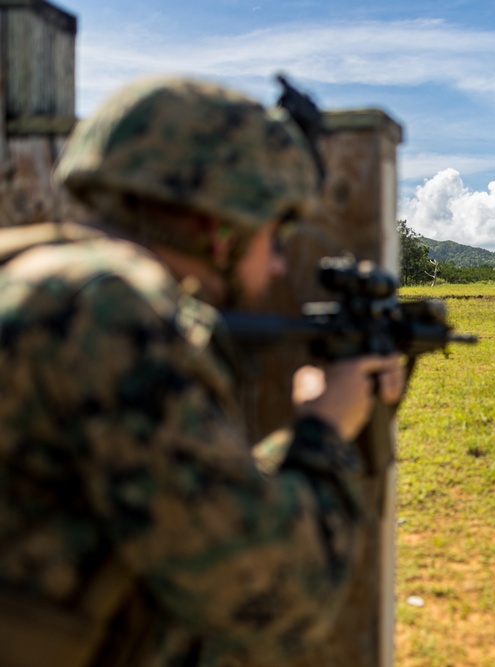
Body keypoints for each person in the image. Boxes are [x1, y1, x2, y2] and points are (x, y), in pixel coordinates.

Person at [0, 76, 404, 666]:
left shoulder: (35, 275)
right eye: (275, 233)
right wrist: (324, 432)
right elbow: (271, 595)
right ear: (221, 232)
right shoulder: (111, 311)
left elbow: (180, 506)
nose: (277, 261)